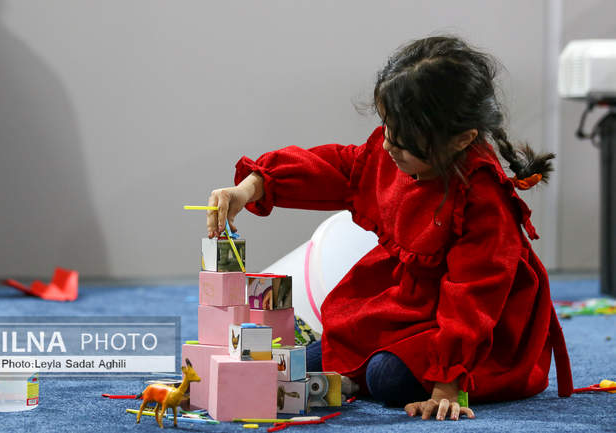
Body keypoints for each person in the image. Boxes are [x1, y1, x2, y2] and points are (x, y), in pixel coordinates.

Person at [205, 36, 573, 421]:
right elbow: (338, 168)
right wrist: (252, 186)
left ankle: (384, 374)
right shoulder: (397, 151)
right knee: (312, 357)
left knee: (386, 377)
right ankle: (355, 371)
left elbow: (473, 298)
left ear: (461, 140)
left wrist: (447, 385)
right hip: (409, 307)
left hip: (476, 330)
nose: (387, 147)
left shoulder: (481, 198)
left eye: (404, 140)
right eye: (386, 129)